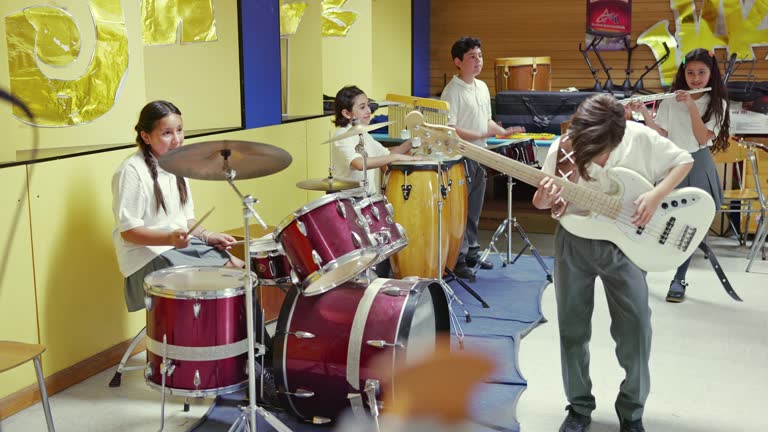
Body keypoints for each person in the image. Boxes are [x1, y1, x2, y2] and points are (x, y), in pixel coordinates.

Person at [533, 94, 693, 432]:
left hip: (627, 247)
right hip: (574, 241)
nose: (593, 155)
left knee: (636, 330)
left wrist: (655, 195)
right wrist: (544, 196)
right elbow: (541, 200)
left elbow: (683, 161)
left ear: (618, 137)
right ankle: (578, 407)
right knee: (572, 329)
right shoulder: (565, 146)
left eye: (601, 149)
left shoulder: (640, 137)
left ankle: (632, 411)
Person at [629, 48, 730, 303]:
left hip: (697, 163)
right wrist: (643, 113)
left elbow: (701, 138)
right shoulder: (671, 99)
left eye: (701, 73)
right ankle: (639, 274)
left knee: (691, 224)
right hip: (671, 162)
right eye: (690, 72)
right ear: (683, 73)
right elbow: (660, 134)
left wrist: (692, 107)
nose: (695, 78)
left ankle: (679, 279)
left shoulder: (718, 102)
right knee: (655, 218)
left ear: (711, 74)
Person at [440, 36, 523, 279]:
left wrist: (501, 131)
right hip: (461, 157)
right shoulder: (451, 91)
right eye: (472, 57)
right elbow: (451, 127)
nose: (478, 61)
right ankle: (459, 257)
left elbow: (486, 121)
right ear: (458, 62)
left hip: (480, 154)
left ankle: (473, 251)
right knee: (461, 210)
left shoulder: (483, 87)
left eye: (480, 56)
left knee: (475, 208)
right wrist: (479, 134)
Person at [331, 85, 419, 195]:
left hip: (367, 199)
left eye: (368, 105)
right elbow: (358, 164)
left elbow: (387, 154)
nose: (369, 111)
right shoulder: (343, 135)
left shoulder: (364, 135)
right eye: (362, 107)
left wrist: (413, 141)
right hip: (349, 201)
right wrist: (395, 157)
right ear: (347, 113)